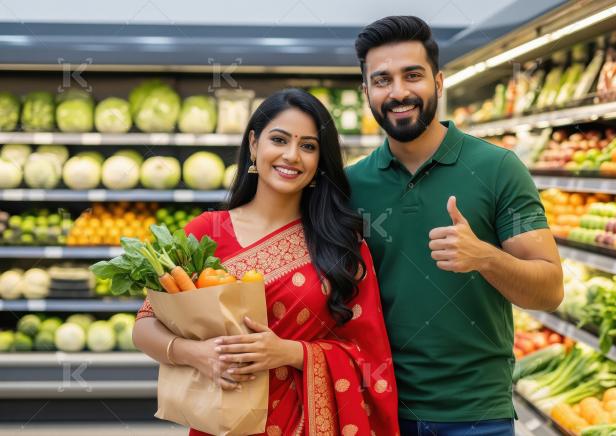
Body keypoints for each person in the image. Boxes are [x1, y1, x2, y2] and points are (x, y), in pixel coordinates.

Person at [133, 88, 400, 435]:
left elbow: (369, 355)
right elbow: (144, 326)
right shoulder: (206, 232)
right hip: (225, 421)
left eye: (308, 146)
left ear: (320, 161)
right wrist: (197, 354)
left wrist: (290, 353)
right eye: (279, 140)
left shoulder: (342, 244)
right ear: (254, 144)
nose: (292, 156)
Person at [347, 16, 564, 435]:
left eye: (413, 75)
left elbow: (550, 290)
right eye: (382, 80)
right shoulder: (351, 186)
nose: (399, 92)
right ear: (367, 93)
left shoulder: (500, 169)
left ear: (439, 81)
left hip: (477, 414)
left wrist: (484, 256)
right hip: (378, 410)